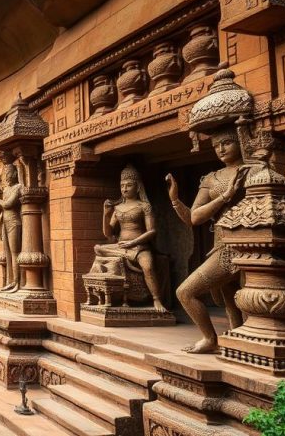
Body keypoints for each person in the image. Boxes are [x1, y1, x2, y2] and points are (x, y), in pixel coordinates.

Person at [166, 127, 249, 353]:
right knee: (227, 298)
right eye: (216, 146)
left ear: (241, 141)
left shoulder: (251, 170)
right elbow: (194, 217)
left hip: (246, 242)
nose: (221, 149)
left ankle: (223, 341)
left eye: (227, 143)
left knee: (187, 292)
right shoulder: (212, 178)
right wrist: (175, 200)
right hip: (222, 245)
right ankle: (217, 339)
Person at [93, 165, 166, 312]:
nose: (124, 189)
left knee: (148, 267)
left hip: (139, 247)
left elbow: (152, 231)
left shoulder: (144, 206)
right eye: (122, 186)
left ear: (137, 187)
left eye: (128, 185)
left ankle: (156, 299)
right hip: (121, 247)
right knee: (98, 248)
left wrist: (133, 242)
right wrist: (105, 214)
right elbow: (108, 234)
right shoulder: (117, 208)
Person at [0, 163, 23, 292]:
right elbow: (0, 209)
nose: (7, 177)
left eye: (9, 173)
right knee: (7, 253)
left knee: (14, 252)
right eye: (5, 174)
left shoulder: (18, 187)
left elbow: (7, 204)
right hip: (5, 223)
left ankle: (17, 282)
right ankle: (10, 281)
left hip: (14, 222)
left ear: (15, 174)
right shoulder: (6, 190)